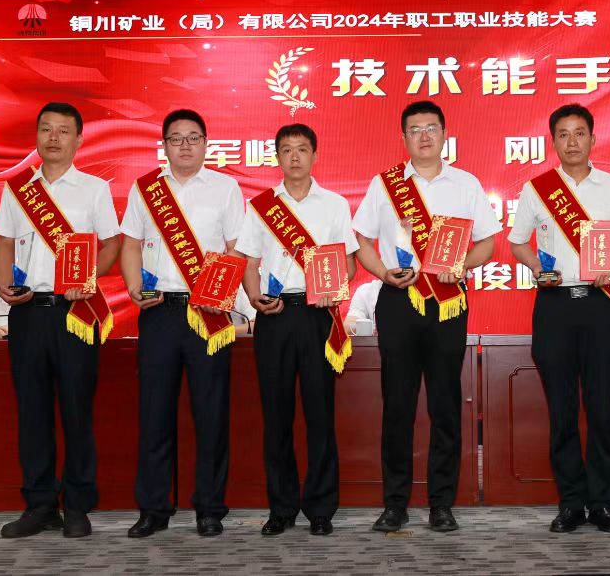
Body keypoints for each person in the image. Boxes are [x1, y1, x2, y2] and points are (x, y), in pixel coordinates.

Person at [352, 101, 500, 532]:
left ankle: (441, 503)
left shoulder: (466, 184)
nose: (424, 136)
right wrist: (383, 273)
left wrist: (463, 265)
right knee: (397, 405)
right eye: (414, 129)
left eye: (431, 128)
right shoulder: (385, 185)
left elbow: (488, 242)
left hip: (447, 300)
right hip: (397, 300)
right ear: (404, 137)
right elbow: (359, 239)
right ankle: (394, 503)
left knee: (445, 404)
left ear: (444, 134)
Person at [0, 102, 120, 538]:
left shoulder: (94, 189)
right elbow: (4, 242)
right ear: (36, 136)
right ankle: (40, 504)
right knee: (33, 412)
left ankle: (78, 504)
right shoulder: (18, 189)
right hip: (28, 313)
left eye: (63, 130)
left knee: (77, 410)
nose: (53, 137)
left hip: (75, 314)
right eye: (46, 129)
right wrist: (4, 283)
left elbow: (112, 244)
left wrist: (89, 278)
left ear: (79, 139)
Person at [509, 103, 610, 533]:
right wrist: (535, 266)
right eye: (563, 135)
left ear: (593, 138)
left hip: (601, 304)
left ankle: (602, 504)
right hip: (555, 306)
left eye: (579, 133)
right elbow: (518, 242)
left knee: (602, 410)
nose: (572, 142)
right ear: (553, 142)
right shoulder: (538, 189)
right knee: (562, 411)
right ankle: (570, 503)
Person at [119, 109, 244, 537]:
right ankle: (153, 508)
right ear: (165, 145)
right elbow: (131, 244)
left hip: (208, 312)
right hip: (159, 312)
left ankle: (210, 508)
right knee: (155, 413)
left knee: (211, 414)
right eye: (176, 138)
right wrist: (133, 286)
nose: (185, 145)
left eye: (193, 138)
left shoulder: (226, 188)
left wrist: (221, 291)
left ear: (206, 144)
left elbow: (236, 248)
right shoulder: (146, 189)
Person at [237, 123, 359, 536]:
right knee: (276, 417)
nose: (294, 156)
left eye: (302, 149)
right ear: (277, 157)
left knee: (320, 414)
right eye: (286, 149)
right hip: (274, 316)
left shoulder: (334, 204)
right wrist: (255, 298)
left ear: (314, 155)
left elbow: (348, 263)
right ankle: (282, 507)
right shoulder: (261, 206)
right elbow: (249, 263)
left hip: (316, 316)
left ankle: (321, 509)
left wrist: (334, 289)